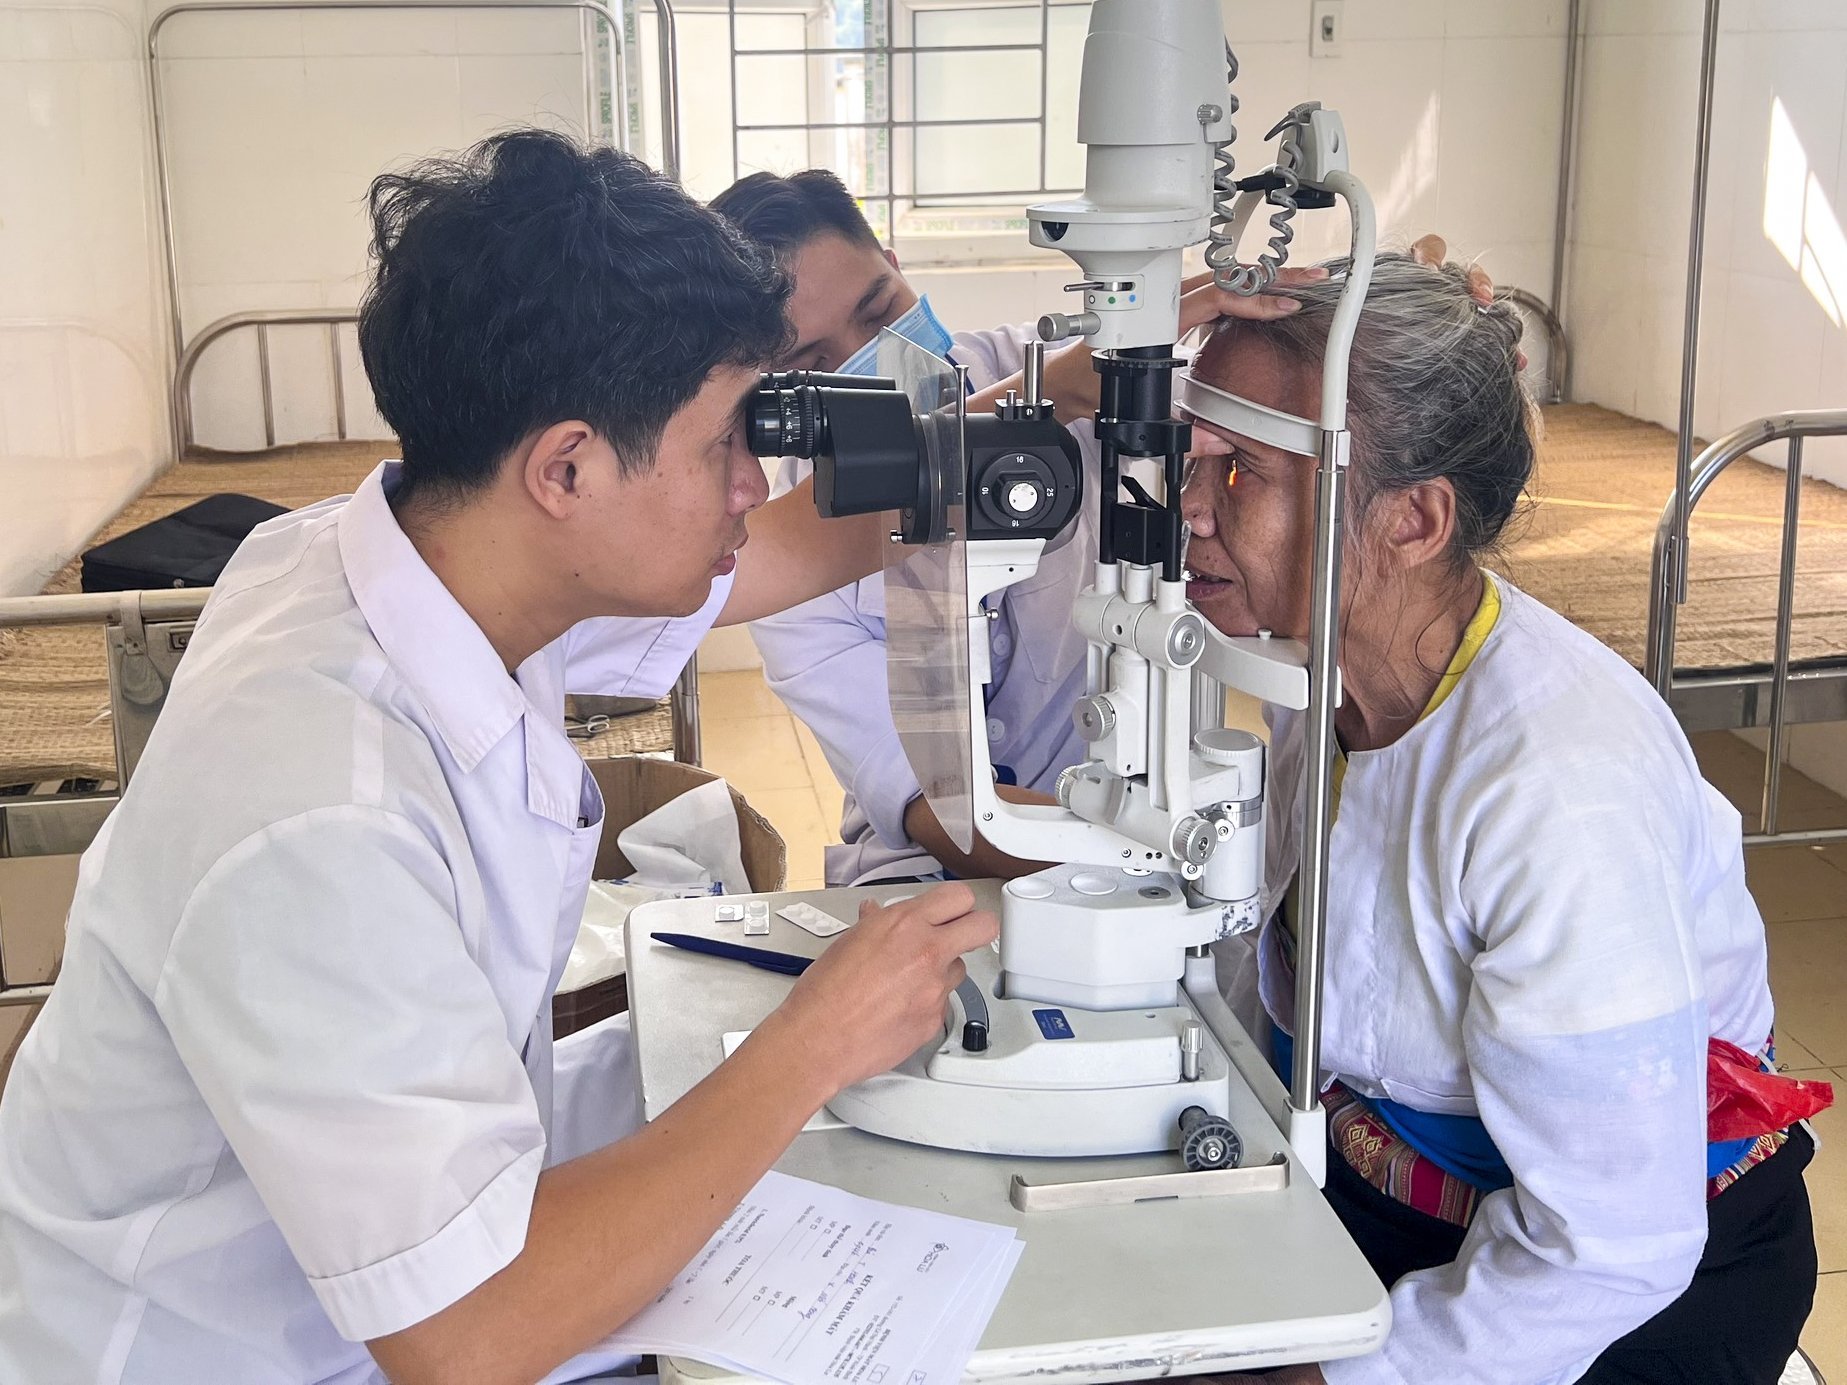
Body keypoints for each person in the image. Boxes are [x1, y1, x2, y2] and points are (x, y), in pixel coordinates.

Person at [0, 131, 997, 1385]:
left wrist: (1066, 397)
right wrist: (812, 1044)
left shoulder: (414, 553)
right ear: (566, 468)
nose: (755, 479)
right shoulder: (315, 808)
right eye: (722, 443)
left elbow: (799, 544)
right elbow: (465, 1338)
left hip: (382, 1247)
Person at [1176, 252, 1825, 1385]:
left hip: (1624, 1296)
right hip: (1389, 1206)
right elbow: (1283, 966)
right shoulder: (1324, 677)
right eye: (1192, 456)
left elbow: (1612, 1243)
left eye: (1239, 473)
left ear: (1412, 519)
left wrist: (1334, 1377)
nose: (1185, 504)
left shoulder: (1557, 787)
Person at [709, 168, 1312, 883]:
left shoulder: (1071, 377)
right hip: (941, 865)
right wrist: (1169, 873)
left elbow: (1271, 391)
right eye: (810, 362)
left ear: (897, 270)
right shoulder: (778, 553)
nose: (866, 363)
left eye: (879, 312)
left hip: (1148, 829)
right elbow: (948, 812)